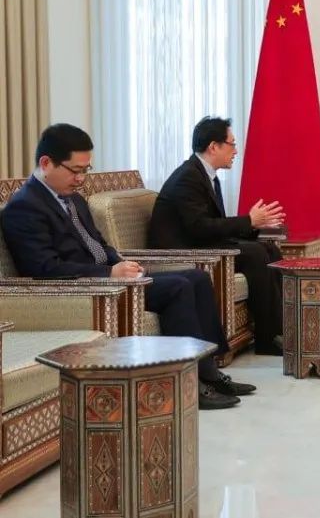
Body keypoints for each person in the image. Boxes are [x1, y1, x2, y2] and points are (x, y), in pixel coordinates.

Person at [0, 124, 255, 409]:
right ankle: (191, 383)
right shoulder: (24, 207)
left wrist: (120, 263)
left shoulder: (73, 199)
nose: (81, 179)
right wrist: (108, 274)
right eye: (75, 170)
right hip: (87, 292)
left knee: (197, 277)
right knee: (178, 287)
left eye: (86, 170)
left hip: (112, 280)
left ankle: (210, 372)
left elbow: (98, 243)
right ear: (46, 163)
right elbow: (44, 268)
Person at [147, 116, 286, 356]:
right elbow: (199, 227)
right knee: (255, 254)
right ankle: (265, 338)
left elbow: (213, 225)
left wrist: (254, 225)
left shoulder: (205, 174)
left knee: (269, 249)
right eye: (232, 144)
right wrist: (248, 220)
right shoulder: (188, 177)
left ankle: (278, 330)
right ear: (214, 146)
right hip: (180, 252)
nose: (236, 151)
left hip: (200, 243)